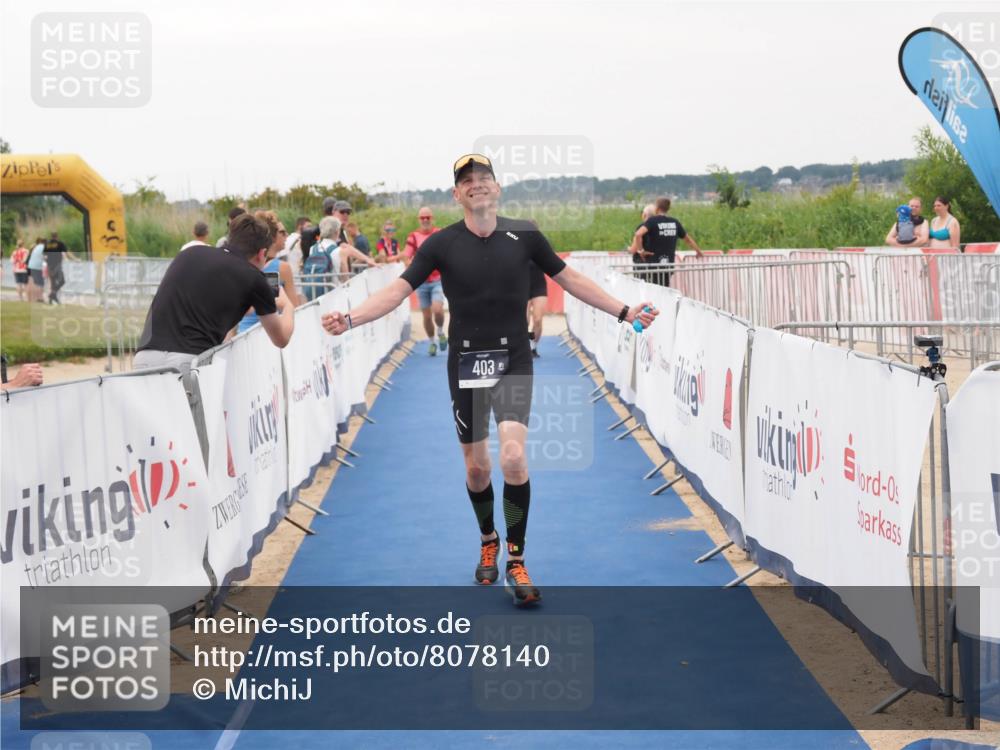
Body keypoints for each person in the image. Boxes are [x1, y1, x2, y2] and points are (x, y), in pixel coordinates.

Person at [321, 153, 658, 606]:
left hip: (513, 357)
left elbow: (570, 277)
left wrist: (624, 310)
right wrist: (351, 317)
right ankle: (487, 538)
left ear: (497, 189)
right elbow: (398, 289)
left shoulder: (526, 234)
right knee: (477, 468)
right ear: (457, 194)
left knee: (514, 458)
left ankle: (516, 561)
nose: (476, 184)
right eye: (466, 181)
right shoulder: (440, 244)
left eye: (484, 178)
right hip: (465, 363)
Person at [134, 212, 295, 375]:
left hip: (144, 357)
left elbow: (208, 305)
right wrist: (288, 306)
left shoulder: (190, 253)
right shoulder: (254, 277)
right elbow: (280, 339)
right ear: (262, 253)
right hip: (189, 361)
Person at [237, 211, 302, 333]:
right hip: (267, 335)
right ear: (272, 237)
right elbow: (295, 307)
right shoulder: (282, 268)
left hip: (244, 334)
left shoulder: (243, 264)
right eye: (282, 232)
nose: (287, 235)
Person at [629, 197, 704, 286]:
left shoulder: (652, 221)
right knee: (664, 290)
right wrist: (698, 252)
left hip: (653, 265)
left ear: (657, 208)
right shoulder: (675, 222)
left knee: (652, 292)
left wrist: (641, 251)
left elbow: (638, 234)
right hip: (668, 265)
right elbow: (688, 239)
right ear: (668, 208)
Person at [403, 207, 447, 356]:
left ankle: (441, 331)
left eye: (428, 217)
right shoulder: (413, 236)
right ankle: (432, 342)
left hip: (437, 279)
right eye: (423, 218)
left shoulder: (439, 233)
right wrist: (413, 267)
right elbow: (406, 256)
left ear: (432, 218)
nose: (425, 220)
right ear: (419, 220)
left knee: (437, 309)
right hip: (422, 282)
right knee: (427, 316)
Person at [43, 232, 77, 304]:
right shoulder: (60, 243)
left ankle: (51, 299)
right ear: (57, 236)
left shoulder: (47, 244)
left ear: (51, 236)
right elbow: (67, 253)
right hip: (57, 266)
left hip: (49, 266)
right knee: (62, 281)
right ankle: (52, 295)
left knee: (53, 283)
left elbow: (44, 256)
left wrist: (48, 261)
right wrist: (75, 259)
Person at [27, 237, 45, 303]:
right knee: (38, 283)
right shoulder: (42, 247)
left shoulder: (35, 248)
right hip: (36, 267)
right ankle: (39, 298)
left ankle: (32, 299)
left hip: (31, 267)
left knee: (32, 283)